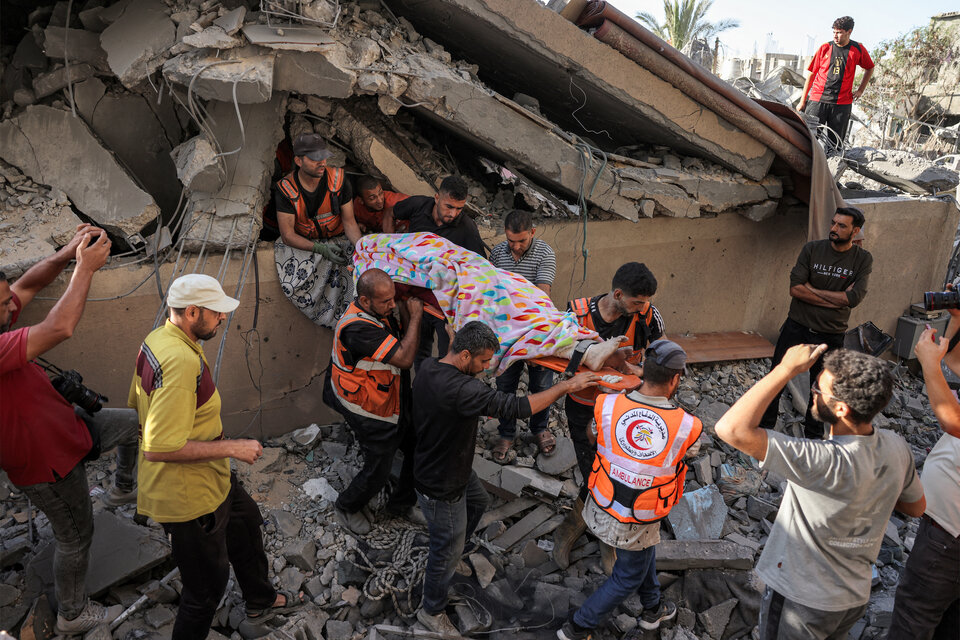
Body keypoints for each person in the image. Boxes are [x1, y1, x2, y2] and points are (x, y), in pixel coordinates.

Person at [129, 274, 302, 639]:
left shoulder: (160, 339)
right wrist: (232, 447)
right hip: (190, 497)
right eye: (216, 312)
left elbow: (137, 406)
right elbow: (159, 447)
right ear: (192, 312)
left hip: (212, 476)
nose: (223, 318)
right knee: (205, 590)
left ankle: (259, 598)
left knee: (245, 523)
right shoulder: (178, 363)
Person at [715, 346, 925, 640]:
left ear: (841, 408)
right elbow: (916, 507)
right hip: (851, 598)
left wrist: (785, 370)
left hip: (801, 600)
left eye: (818, 388)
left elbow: (730, 429)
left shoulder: (819, 460)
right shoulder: (896, 446)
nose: (812, 391)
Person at [412, 321, 599, 635]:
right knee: (443, 550)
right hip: (441, 484)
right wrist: (565, 386)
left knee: (479, 500)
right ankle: (431, 611)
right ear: (465, 355)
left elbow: (456, 347)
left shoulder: (431, 367)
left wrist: (452, 333)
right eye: (484, 362)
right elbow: (518, 407)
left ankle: (455, 552)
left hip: (446, 465)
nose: (487, 368)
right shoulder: (464, 389)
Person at [0, 225, 138, 634]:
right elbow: (59, 328)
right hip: (45, 464)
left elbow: (27, 284)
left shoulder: (2, 318)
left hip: (68, 428)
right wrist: (85, 269)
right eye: (2, 304)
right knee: (76, 535)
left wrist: (64, 255)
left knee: (134, 425)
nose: (12, 307)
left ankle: (123, 486)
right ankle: (73, 614)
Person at [559, 340, 702, 639]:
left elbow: (592, 436)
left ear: (643, 372)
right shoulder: (686, 426)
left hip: (602, 500)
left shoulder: (608, 404)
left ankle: (652, 609)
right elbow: (685, 453)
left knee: (644, 551)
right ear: (675, 379)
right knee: (626, 578)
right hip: (638, 514)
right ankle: (577, 627)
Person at [553, 262, 664, 569]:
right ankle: (572, 529)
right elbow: (557, 359)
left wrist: (635, 371)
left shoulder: (648, 317)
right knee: (594, 472)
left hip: (625, 408)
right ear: (618, 294)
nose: (643, 306)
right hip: (584, 405)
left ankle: (606, 538)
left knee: (619, 471)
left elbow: (661, 362)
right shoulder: (575, 315)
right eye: (637, 301)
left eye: (645, 301)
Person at [324, 268, 423, 535]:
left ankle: (401, 503)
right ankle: (347, 505)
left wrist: (401, 307)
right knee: (379, 466)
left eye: (394, 298)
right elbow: (403, 358)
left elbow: (398, 338)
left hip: (390, 397)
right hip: (367, 406)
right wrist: (415, 317)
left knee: (416, 445)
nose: (393, 305)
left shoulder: (378, 311)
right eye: (386, 301)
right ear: (365, 301)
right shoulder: (357, 328)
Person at [759, 206, 872, 439]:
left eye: (841, 226)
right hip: (797, 326)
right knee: (777, 377)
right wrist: (836, 299)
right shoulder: (812, 249)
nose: (834, 229)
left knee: (822, 388)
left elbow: (853, 298)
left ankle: (813, 437)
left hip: (830, 334)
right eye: (833, 223)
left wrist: (814, 290)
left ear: (855, 230)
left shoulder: (862, 259)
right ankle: (764, 429)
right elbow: (796, 289)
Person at [887, 325, 960, 640]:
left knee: (914, 618)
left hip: (949, 539)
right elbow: (956, 364)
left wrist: (929, 366)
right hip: (946, 529)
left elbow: (954, 422)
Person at [384, 176, 487, 368]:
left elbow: (479, 267)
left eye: (459, 208)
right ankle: (420, 387)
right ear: (437, 197)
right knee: (418, 350)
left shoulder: (467, 228)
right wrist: (392, 244)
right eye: (449, 206)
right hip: (414, 294)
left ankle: (439, 388)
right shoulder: (418, 205)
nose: (453, 213)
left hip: (443, 302)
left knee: (445, 355)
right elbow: (391, 212)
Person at [488, 210, 558, 462]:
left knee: (541, 385)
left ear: (532, 233)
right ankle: (506, 432)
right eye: (511, 241)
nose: (516, 247)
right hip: (505, 332)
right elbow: (492, 292)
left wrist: (530, 340)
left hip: (538, 329)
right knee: (505, 385)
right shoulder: (497, 253)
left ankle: (539, 428)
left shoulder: (544, 253)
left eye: (522, 241)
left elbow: (542, 297)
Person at [274, 133, 362, 328]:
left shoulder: (339, 180)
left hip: (338, 239)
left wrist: (363, 249)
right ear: (298, 160)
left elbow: (349, 223)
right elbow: (288, 235)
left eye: (323, 157)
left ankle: (348, 321)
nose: (322, 162)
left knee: (358, 275)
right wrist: (320, 249)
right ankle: (324, 317)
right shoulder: (285, 189)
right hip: (306, 244)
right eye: (315, 159)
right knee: (293, 281)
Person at [797, 16, 874, 151]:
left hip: (841, 104)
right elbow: (811, 74)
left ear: (849, 32)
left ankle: (829, 170)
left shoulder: (858, 49)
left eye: (839, 32)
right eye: (834, 32)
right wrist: (803, 101)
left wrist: (861, 89)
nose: (835, 36)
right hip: (818, 100)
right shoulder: (825, 48)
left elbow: (869, 67)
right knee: (807, 141)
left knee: (835, 146)